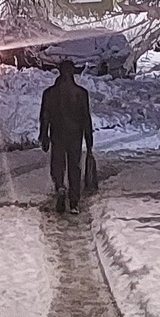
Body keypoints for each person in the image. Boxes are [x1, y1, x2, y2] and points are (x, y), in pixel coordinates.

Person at [38, 60, 94, 214]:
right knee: (74, 167)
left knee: (58, 164)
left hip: (57, 135)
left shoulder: (49, 93)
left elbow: (45, 117)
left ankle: (60, 187)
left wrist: (44, 136)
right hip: (75, 136)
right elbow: (86, 118)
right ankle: (74, 201)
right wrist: (89, 142)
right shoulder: (81, 93)